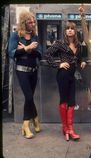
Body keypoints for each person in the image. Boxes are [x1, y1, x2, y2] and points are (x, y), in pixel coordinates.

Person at [44, 21, 87, 141]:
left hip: (72, 75)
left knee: (72, 102)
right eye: (67, 28)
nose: (69, 30)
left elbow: (79, 59)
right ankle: (66, 128)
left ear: (75, 31)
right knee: (64, 100)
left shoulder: (78, 45)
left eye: (72, 28)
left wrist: (83, 62)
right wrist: (59, 64)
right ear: (64, 31)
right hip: (62, 75)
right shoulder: (60, 43)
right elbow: (47, 55)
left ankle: (70, 128)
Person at [8, 10, 42, 139]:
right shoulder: (15, 35)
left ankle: (36, 118)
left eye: (33, 22)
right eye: (30, 22)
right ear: (24, 23)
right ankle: (26, 125)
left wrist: (29, 50)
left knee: (30, 97)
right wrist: (26, 49)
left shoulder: (35, 36)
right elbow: (11, 53)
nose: (33, 24)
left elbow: (40, 53)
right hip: (21, 70)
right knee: (28, 97)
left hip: (33, 70)